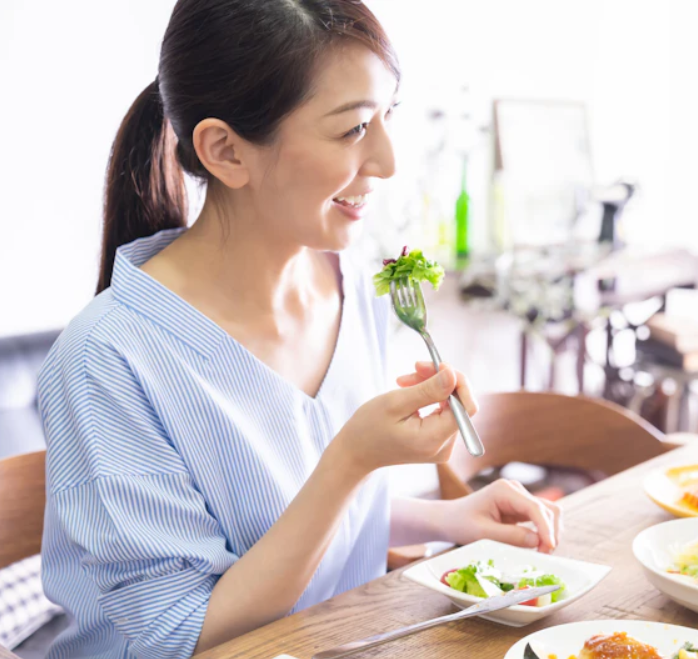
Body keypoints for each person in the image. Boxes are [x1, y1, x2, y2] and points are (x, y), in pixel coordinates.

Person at [37, 2, 561, 657]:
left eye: (387, 115)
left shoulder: (352, 282)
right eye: (355, 128)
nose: (388, 160)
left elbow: (266, 518)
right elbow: (179, 631)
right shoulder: (104, 361)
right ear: (225, 150)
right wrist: (351, 458)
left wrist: (445, 516)